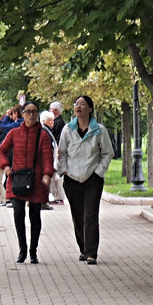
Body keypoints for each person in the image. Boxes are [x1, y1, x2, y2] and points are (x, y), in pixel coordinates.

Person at [57, 94, 114, 265]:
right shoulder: (68, 129)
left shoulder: (99, 131)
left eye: (83, 104)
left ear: (90, 109)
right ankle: (83, 248)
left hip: (92, 179)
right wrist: (64, 171)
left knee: (90, 215)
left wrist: (98, 172)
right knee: (77, 215)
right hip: (72, 178)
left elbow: (107, 153)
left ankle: (91, 253)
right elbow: (61, 153)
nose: (79, 107)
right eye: (77, 104)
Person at [0, 100, 55, 263]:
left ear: (37, 114)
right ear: (22, 114)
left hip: (36, 180)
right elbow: (2, 151)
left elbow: (47, 157)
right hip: (17, 179)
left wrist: (47, 174)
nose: (31, 114)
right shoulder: (14, 133)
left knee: (35, 216)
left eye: (34, 111)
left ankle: (33, 251)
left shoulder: (42, 134)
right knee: (18, 214)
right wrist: (6, 166)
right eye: (28, 111)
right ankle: (22, 250)